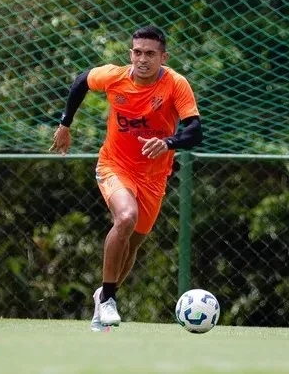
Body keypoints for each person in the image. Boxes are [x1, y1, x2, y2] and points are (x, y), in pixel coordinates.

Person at [49, 25, 203, 331]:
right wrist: (65, 124)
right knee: (125, 217)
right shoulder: (114, 76)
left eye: (150, 53)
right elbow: (81, 81)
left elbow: (195, 130)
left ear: (163, 56)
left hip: (154, 177)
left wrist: (168, 143)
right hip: (114, 166)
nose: (142, 59)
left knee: (132, 246)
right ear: (130, 53)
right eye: (137, 52)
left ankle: (103, 295)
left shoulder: (175, 84)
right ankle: (107, 299)